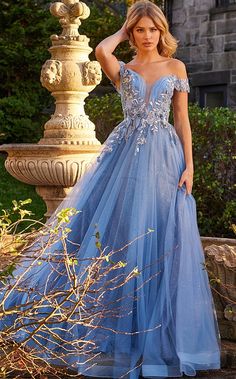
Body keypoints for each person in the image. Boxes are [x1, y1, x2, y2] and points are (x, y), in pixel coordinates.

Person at [0, 1, 221, 378]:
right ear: (132, 32)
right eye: (140, 30)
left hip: (165, 157)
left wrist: (190, 166)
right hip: (126, 156)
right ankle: (109, 326)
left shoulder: (176, 67)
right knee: (119, 229)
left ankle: (157, 336)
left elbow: (182, 120)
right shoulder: (123, 68)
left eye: (153, 29)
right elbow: (102, 50)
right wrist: (125, 25)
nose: (147, 36)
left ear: (161, 32)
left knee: (160, 232)